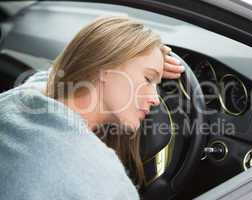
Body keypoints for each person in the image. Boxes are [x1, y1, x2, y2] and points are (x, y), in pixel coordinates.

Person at [0, 16, 184, 199]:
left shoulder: (16, 102)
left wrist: (152, 64)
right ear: (106, 67)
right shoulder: (103, 181)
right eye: (148, 79)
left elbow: (60, 73)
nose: (155, 99)